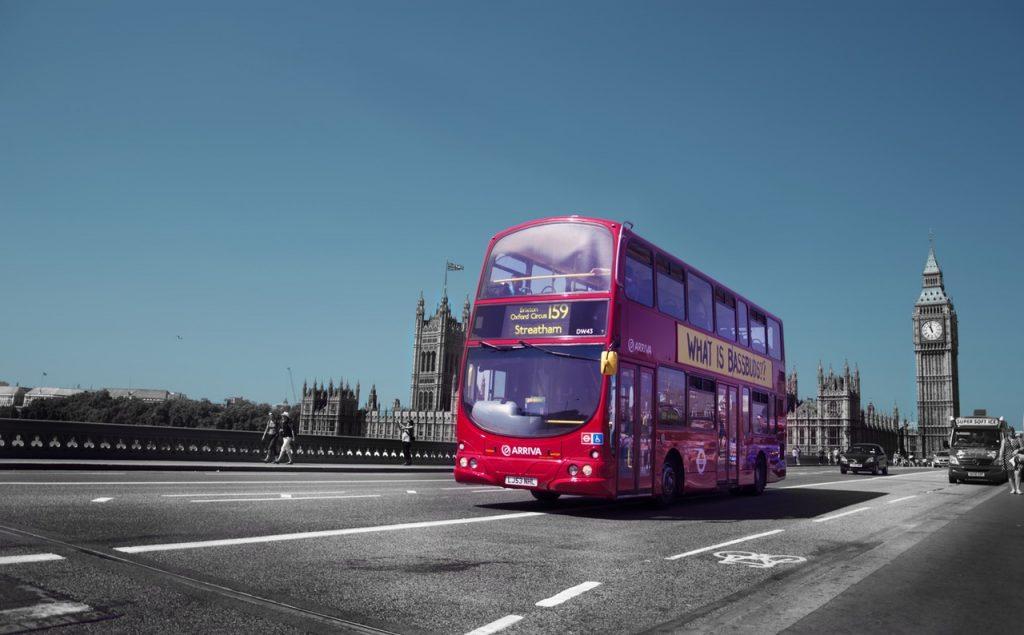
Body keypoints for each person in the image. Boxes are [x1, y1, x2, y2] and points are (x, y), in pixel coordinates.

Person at [999, 430, 1022, 494]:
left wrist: (1018, 449)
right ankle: (1013, 489)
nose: (1011, 433)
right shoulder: (1004, 440)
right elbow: (1002, 449)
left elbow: (1023, 447)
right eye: (1009, 432)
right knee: (1010, 474)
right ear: (1007, 433)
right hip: (1008, 459)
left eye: (1012, 431)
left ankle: (1018, 489)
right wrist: (1000, 457)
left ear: (1013, 432)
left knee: (1018, 473)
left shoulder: (1018, 439)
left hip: (1017, 458)